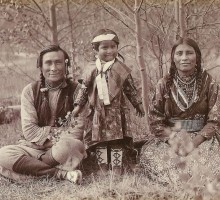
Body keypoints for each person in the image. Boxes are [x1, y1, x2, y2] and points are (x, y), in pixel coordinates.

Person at [139, 37, 220, 187]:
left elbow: (214, 120)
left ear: (197, 56)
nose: (184, 58)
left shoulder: (209, 82)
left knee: (210, 169)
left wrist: (193, 143)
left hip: (202, 138)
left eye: (189, 53)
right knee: (157, 161)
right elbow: (155, 119)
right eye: (179, 53)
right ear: (173, 58)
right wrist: (175, 142)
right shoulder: (163, 83)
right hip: (171, 139)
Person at [0, 45, 86, 184]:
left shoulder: (79, 91)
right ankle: (61, 174)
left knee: (72, 145)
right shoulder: (30, 91)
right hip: (32, 148)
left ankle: (30, 169)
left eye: (58, 62)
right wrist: (58, 132)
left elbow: (75, 132)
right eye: (48, 63)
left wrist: (50, 137)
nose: (53, 68)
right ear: (40, 66)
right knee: (3, 154)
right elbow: (30, 131)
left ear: (66, 64)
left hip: (61, 150)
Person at [71, 28, 144, 175]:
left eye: (113, 46)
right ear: (95, 50)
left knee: (117, 140)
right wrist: (78, 106)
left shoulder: (120, 68)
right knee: (100, 141)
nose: (109, 50)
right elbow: (84, 89)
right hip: (98, 112)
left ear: (117, 47)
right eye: (104, 47)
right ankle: (103, 168)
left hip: (116, 112)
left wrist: (138, 104)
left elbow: (130, 89)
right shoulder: (91, 69)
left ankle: (116, 168)